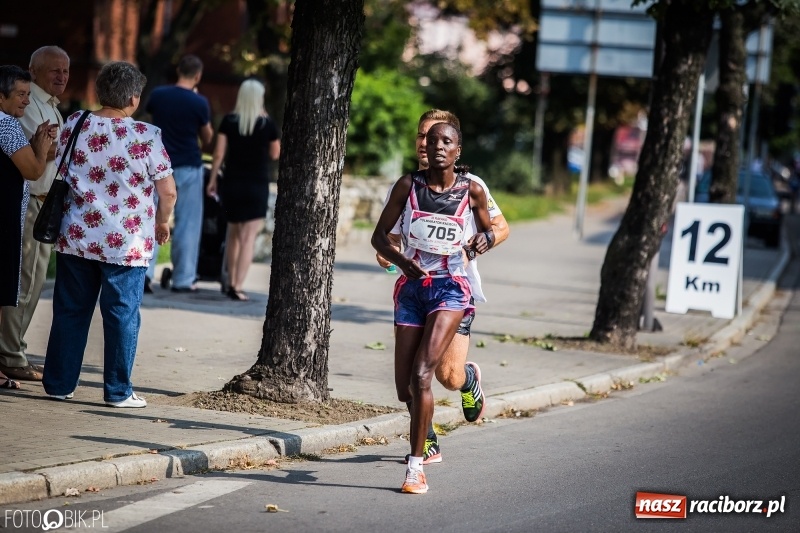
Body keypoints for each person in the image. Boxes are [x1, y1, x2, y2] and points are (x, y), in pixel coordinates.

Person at [376, 110, 509, 465]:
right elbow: (387, 238)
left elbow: (500, 228)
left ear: (455, 147)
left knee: (446, 375)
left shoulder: (471, 184)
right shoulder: (406, 185)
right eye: (422, 136)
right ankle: (427, 438)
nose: (426, 144)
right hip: (415, 289)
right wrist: (392, 257)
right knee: (413, 378)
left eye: (436, 138)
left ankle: (468, 380)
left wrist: (478, 244)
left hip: (454, 289)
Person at [41, 61, 177, 407]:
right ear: (133, 98)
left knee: (71, 310)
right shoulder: (147, 136)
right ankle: (118, 391)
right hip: (126, 244)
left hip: (77, 236)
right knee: (121, 315)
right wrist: (163, 222)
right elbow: (169, 191)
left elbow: (58, 161)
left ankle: (59, 384)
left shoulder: (76, 122)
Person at [0, 46, 70, 382]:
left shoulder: (48, 107)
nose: (62, 76)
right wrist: (58, 146)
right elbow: (31, 158)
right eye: (54, 70)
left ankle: (12, 351)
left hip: (40, 201)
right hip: (26, 201)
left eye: (66, 71)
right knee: (22, 283)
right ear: (34, 69)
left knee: (31, 282)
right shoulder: (19, 112)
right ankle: (10, 354)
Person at [206, 79, 280, 301]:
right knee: (248, 238)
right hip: (256, 184)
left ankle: (229, 282)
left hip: (232, 183)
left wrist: (212, 179)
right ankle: (238, 286)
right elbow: (276, 154)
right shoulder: (267, 124)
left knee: (234, 235)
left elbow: (218, 154)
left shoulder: (229, 121)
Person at [144, 54, 213, 293]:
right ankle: (183, 279)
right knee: (188, 224)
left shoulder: (159, 95)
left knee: (152, 218)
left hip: (158, 165)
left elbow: (152, 123)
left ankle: (145, 272)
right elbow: (207, 137)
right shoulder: (200, 103)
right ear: (198, 76)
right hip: (189, 165)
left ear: (178, 71)